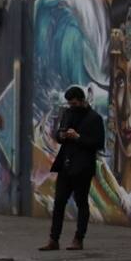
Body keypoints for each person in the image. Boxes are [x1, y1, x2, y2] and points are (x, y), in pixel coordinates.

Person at [41, 85, 105, 251]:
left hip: (83, 167)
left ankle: (79, 238)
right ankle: (53, 239)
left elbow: (98, 143)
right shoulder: (68, 113)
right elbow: (59, 134)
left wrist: (78, 137)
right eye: (70, 104)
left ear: (83, 101)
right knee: (59, 202)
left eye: (75, 103)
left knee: (81, 202)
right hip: (66, 165)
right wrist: (61, 136)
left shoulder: (94, 118)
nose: (72, 107)